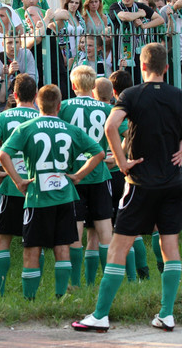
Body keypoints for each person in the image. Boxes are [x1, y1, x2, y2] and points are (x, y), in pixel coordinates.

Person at [73, 43, 182, 333]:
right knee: (170, 247)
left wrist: (122, 162)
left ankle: (101, 315)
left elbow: (110, 127)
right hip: (172, 182)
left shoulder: (131, 95)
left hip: (139, 183)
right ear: (167, 68)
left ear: (142, 67)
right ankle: (166, 314)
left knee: (119, 247)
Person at [0, 84, 104, 299]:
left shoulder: (26, 128)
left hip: (37, 198)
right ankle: (60, 297)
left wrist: (18, 181)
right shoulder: (70, 129)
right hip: (64, 196)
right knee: (62, 248)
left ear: (38, 102)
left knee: (32, 250)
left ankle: (30, 299)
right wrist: (78, 176)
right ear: (59, 105)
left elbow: (3, 155)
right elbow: (99, 153)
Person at [0, 73, 39, 296]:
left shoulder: (2, 118)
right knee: (36, 242)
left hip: (11, 186)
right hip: (36, 186)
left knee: (3, 241)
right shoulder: (41, 116)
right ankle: (33, 294)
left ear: (14, 95)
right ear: (35, 95)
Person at [59, 66, 116, 286]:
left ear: (73, 85)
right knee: (103, 231)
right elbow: (125, 132)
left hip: (73, 175)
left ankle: (75, 283)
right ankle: (107, 280)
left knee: (76, 232)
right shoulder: (106, 108)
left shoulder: (63, 107)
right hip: (99, 173)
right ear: (94, 87)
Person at [109, 0, 165, 84]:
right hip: (120, 54)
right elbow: (125, 17)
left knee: (139, 82)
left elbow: (160, 19)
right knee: (121, 83)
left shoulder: (140, 6)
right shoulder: (115, 6)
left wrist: (144, 26)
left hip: (138, 53)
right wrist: (139, 14)